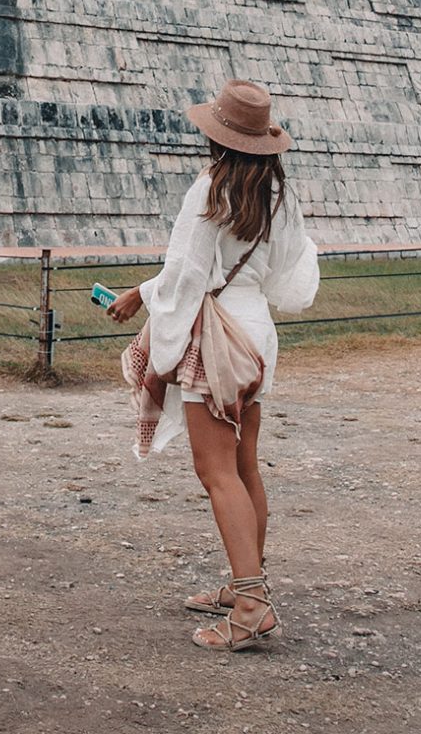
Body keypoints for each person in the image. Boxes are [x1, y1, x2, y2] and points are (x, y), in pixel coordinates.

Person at [108, 79, 319, 652]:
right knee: (245, 465)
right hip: (254, 335)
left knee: (215, 471)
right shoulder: (278, 196)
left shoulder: (208, 191)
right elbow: (288, 277)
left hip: (216, 339)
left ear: (217, 136)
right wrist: (146, 291)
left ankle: (252, 606)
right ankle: (242, 583)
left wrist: (140, 299)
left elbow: (186, 277)